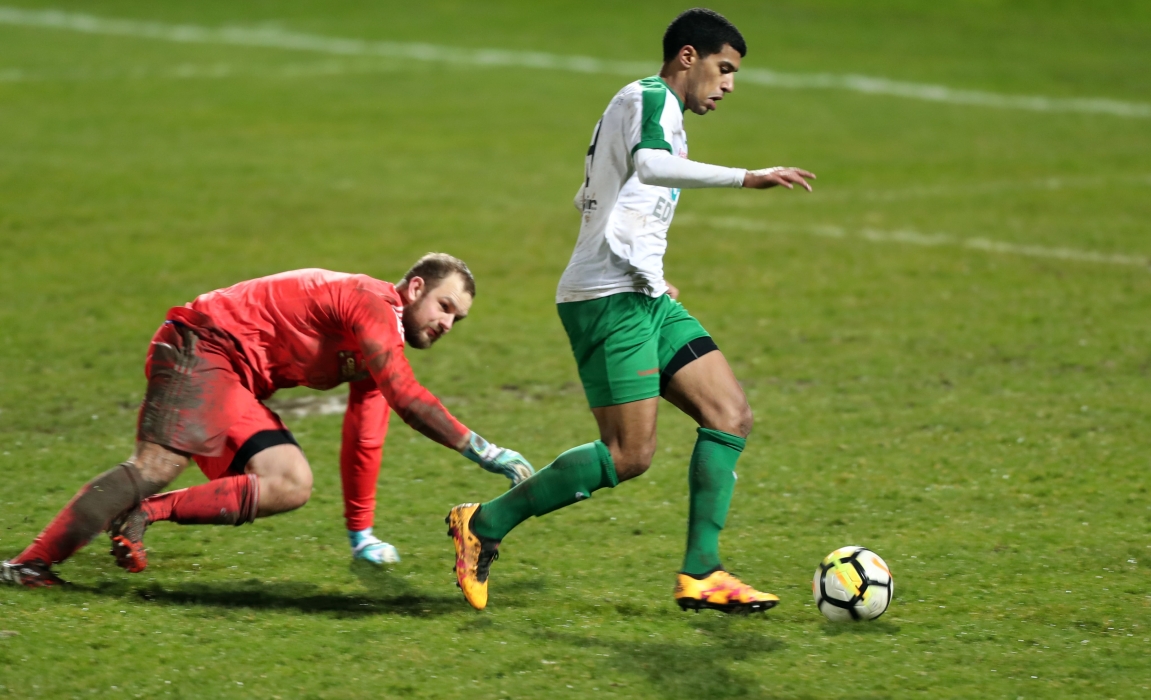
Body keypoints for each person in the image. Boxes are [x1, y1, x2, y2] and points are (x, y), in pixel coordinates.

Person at [446, 8, 816, 613]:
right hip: (605, 299)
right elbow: (647, 166)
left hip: (643, 293)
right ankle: (484, 523)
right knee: (629, 455)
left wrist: (647, 267)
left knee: (730, 413)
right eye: (724, 69)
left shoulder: (656, 111)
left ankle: (703, 573)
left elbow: (601, 190)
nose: (728, 84)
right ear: (687, 57)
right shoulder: (650, 98)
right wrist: (749, 177)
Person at [2, 255, 533, 587]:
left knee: (290, 482)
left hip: (235, 382)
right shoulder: (371, 303)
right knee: (157, 463)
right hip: (202, 345)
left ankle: (143, 515)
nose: (446, 324)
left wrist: (360, 534)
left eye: (456, 320)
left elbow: (366, 437)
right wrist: (485, 451)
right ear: (415, 288)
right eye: (444, 307)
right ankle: (28, 564)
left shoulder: (380, 346)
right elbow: (408, 398)